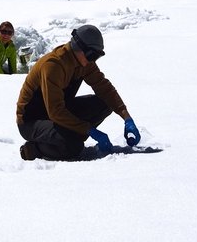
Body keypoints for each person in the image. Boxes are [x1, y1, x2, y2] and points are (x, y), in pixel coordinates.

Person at [16, 24, 140, 161]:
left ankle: (68, 135)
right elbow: (55, 111)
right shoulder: (53, 66)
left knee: (105, 103)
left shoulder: (85, 62)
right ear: (79, 48)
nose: (93, 60)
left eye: (97, 56)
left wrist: (127, 118)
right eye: (92, 55)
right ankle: (36, 148)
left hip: (59, 112)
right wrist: (88, 129)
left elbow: (104, 88)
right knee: (73, 147)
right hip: (32, 121)